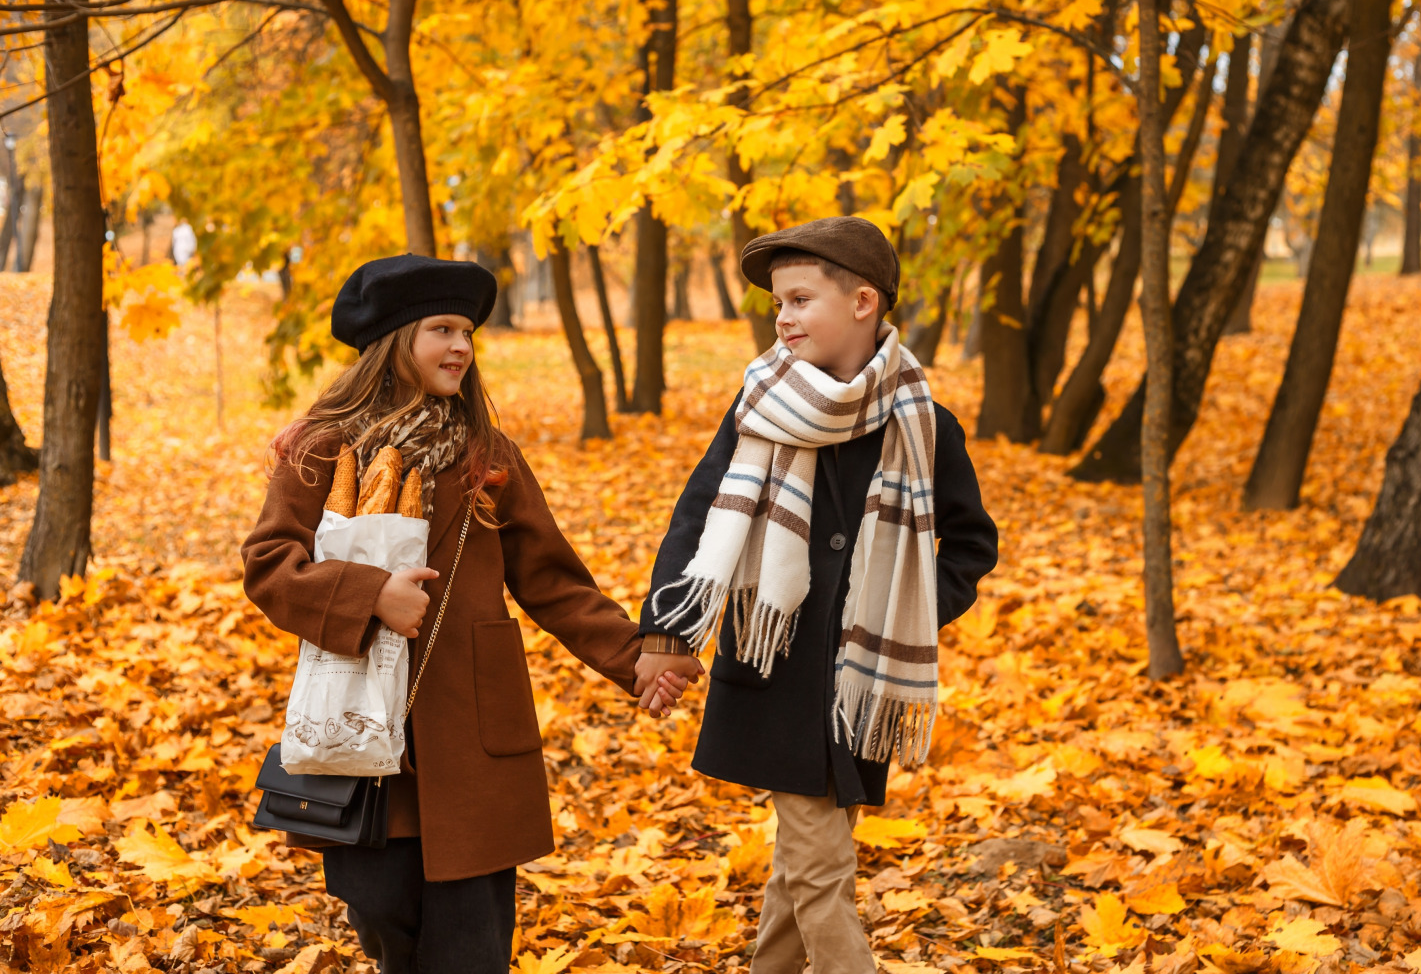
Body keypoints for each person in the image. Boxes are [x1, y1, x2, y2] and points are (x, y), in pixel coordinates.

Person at [241, 254, 702, 974]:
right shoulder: (319, 448)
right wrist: (371, 598)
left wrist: (635, 655)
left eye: (468, 332)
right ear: (395, 339)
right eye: (442, 329)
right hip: (364, 740)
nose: (461, 345)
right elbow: (270, 566)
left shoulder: (489, 456)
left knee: (472, 947)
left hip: (476, 738)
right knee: (387, 923)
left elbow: (552, 580)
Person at [636, 218, 999, 972]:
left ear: (864, 301)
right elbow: (700, 518)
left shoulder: (924, 424)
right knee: (823, 869)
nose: (784, 317)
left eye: (801, 299)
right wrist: (669, 636)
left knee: (799, 869)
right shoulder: (761, 409)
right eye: (778, 304)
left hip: (862, 681)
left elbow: (971, 544)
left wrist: (907, 607)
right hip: (774, 674)